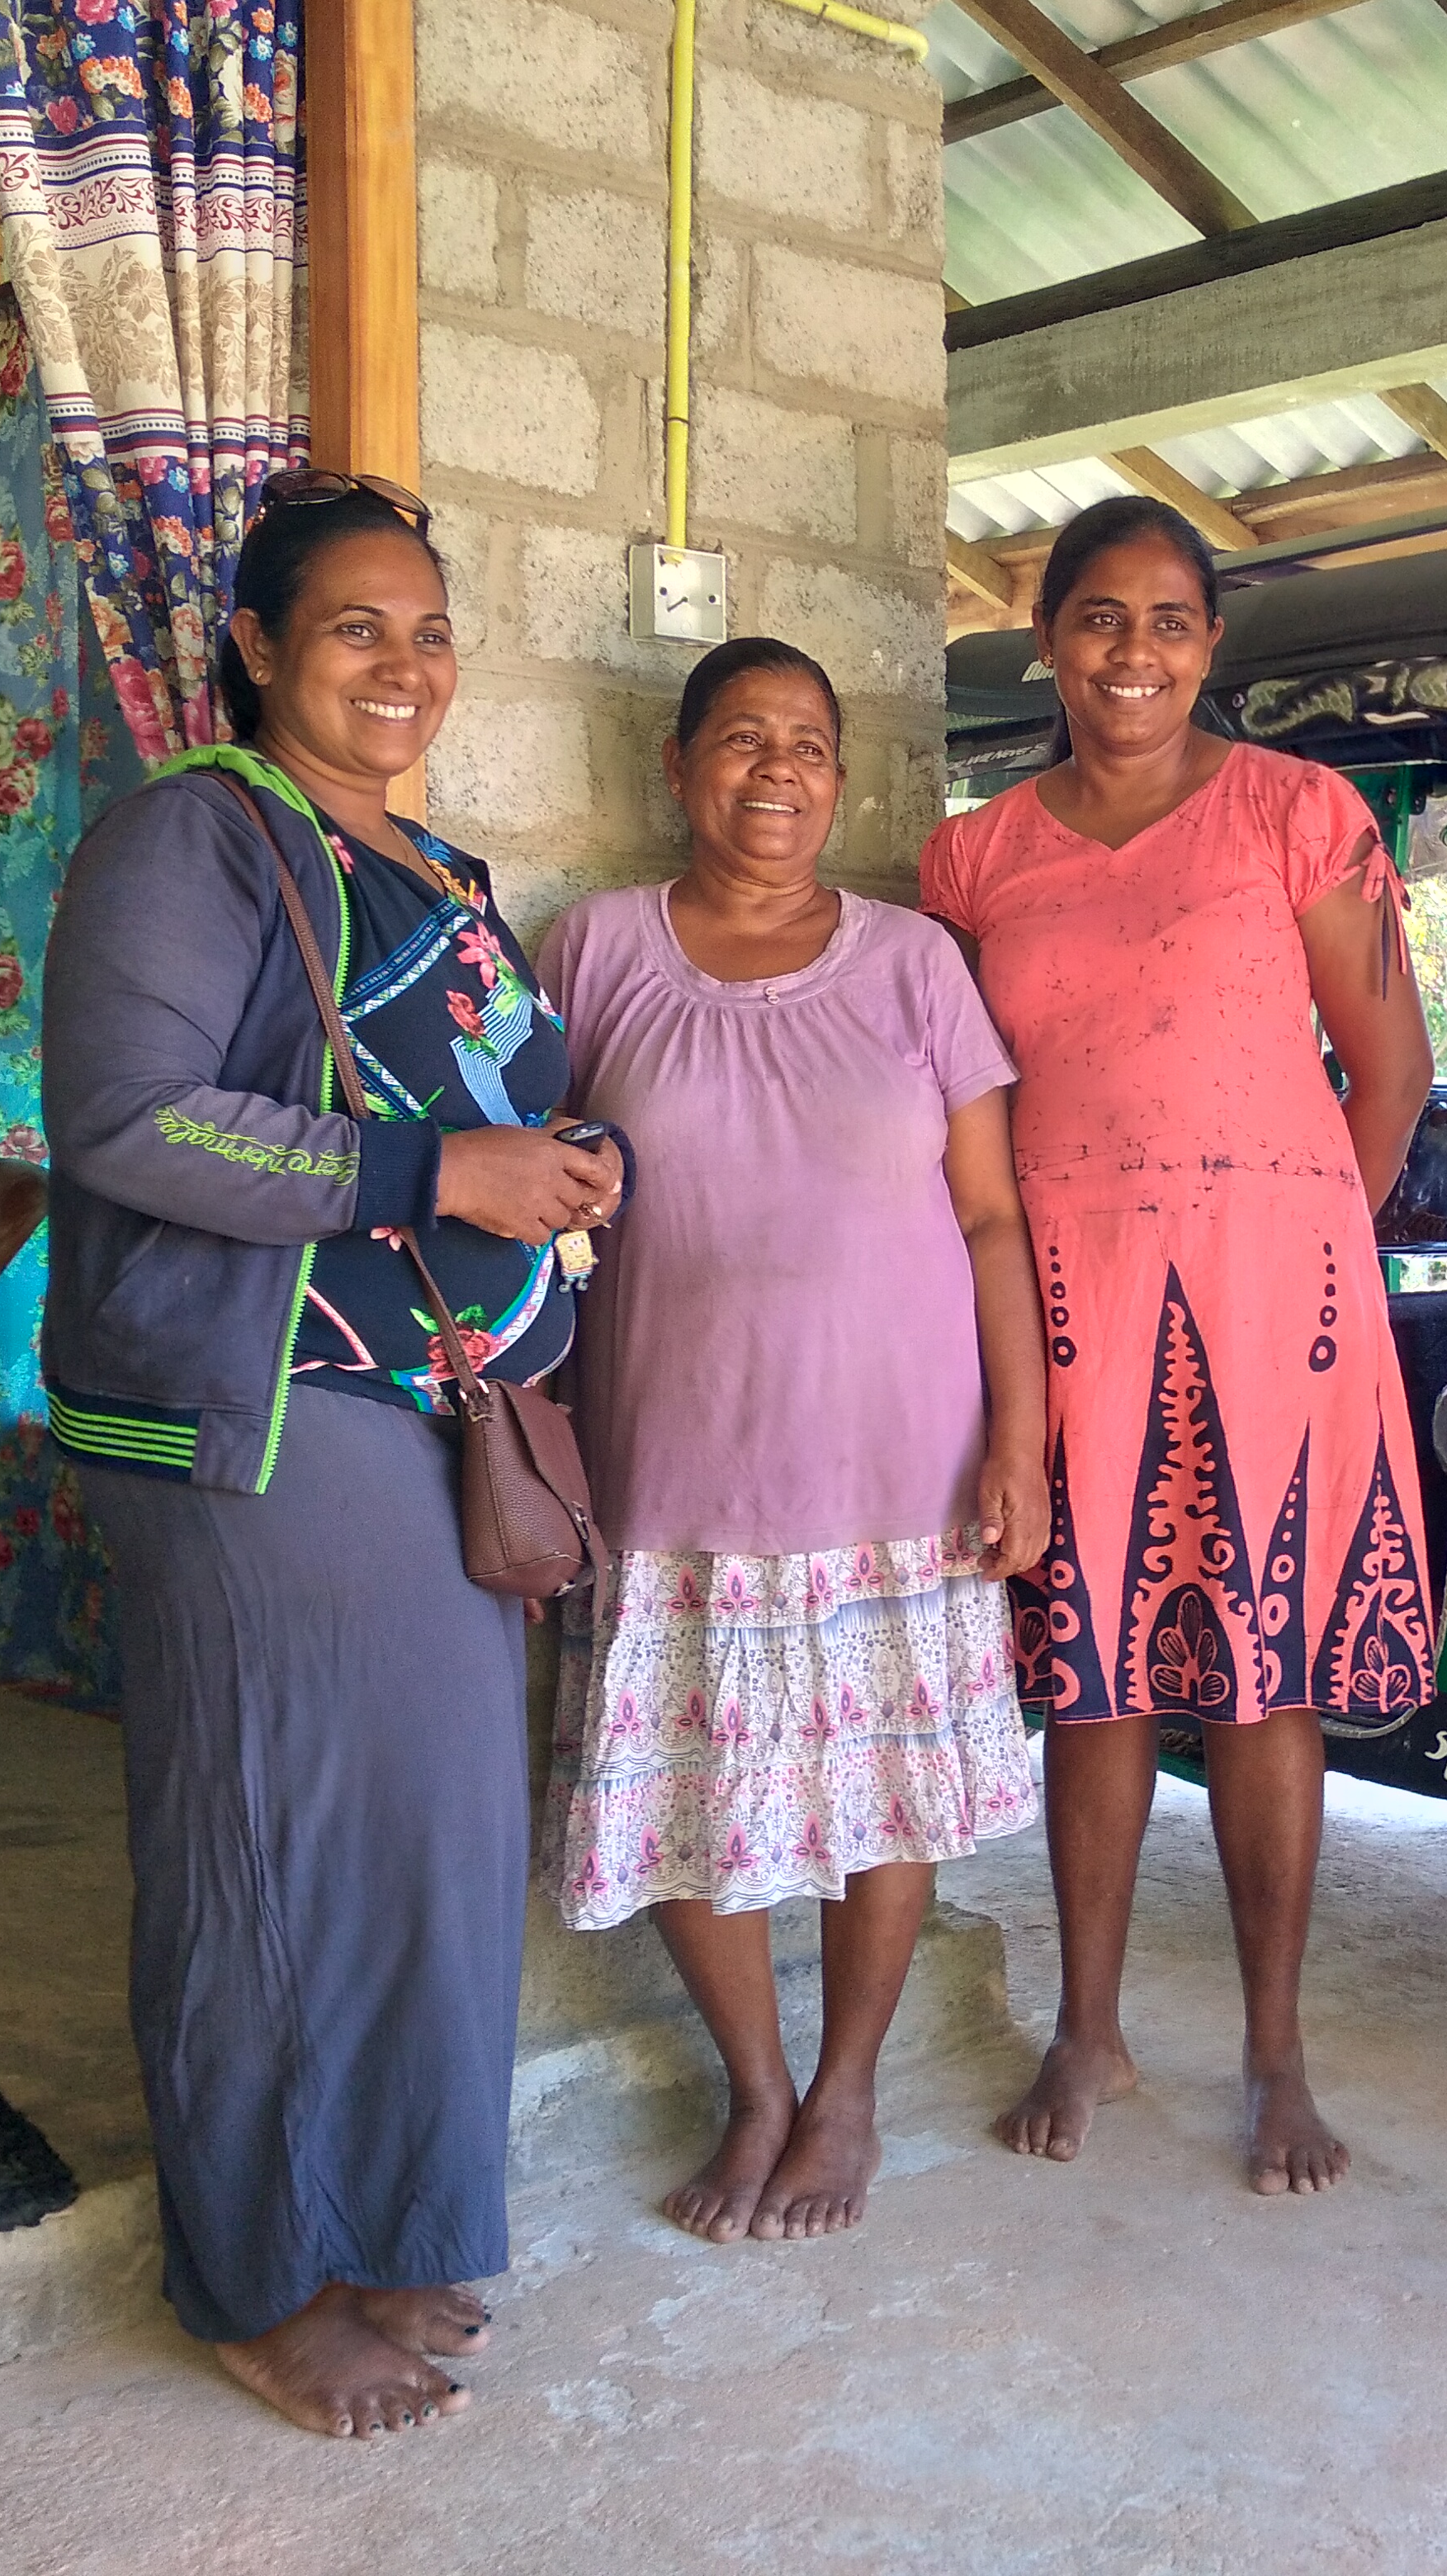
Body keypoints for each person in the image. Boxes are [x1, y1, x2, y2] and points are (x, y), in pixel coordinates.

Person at [40, 472, 629, 2436]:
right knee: (269, 1853)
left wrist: (560, 1163)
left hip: (426, 1420)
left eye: (431, 628)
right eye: (357, 628)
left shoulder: (435, 876)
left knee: (428, 1853)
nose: (404, 664)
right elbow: (127, 1120)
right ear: (262, 650)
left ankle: (384, 2220)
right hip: (262, 1414)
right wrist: (426, 1168)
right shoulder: (191, 837)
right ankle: (256, 2274)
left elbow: (488, 1090)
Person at [917, 495, 1438, 2197]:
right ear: (1046, 639)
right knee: (1096, 1677)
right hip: (1071, 1311)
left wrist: (1306, 1266)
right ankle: (1088, 2026)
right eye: (1096, 619)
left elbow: (1391, 1070)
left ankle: (1277, 2058)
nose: (1130, 652)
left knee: (1265, 1674)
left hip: (1274, 1310)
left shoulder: (1298, 814)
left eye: (1166, 621)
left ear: (1208, 645)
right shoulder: (973, 859)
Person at [544, 637, 1048, 2242]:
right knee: (695, 1793)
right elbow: (530, 1196)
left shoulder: (913, 965)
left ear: (844, 777)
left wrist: (1019, 1439)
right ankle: (755, 2088)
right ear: (680, 766)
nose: (780, 772)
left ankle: (845, 2095)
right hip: (676, 1465)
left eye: (811, 745)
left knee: (882, 1793)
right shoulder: (595, 952)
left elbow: (987, 1215)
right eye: (744, 739)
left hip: (900, 1465)